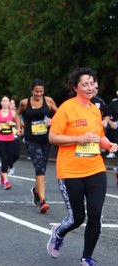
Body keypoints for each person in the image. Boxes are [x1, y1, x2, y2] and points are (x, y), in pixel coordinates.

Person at [46, 67, 117, 266]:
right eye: (84, 84)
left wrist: (108, 144)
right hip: (70, 170)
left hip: (95, 167)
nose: (89, 88)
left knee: (95, 214)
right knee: (77, 218)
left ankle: (86, 257)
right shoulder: (66, 108)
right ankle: (58, 232)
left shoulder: (95, 109)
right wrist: (80, 138)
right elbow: (53, 137)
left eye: (92, 83)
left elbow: (98, 137)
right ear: (75, 87)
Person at [15, 78, 58, 213]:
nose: (39, 94)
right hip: (31, 139)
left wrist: (53, 120)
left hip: (46, 139)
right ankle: (42, 201)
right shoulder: (25, 103)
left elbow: (60, 115)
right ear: (32, 91)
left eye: (41, 91)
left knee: (42, 167)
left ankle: (36, 190)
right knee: (39, 166)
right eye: (36, 92)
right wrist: (18, 128)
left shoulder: (49, 101)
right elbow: (17, 114)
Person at [0, 95, 16, 190]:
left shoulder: (13, 113)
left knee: (11, 158)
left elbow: (21, 124)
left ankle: (1, 172)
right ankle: (6, 181)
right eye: (4, 101)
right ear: (1, 103)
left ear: (9, 103)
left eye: (7, 101)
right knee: (4, 159)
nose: (6, 102)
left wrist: (13, 124)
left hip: (10, 138)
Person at [8, 96, 21, 175]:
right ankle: (11, 167)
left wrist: (14, 124)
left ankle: (7, 163)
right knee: (9, 153)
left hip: (16, 136)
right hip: (6, 136)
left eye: (13, 103)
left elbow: (22, 124)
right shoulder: (3, 113)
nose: (11, 104)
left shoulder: (18, 114)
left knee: (16, 154)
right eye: (10, 103)